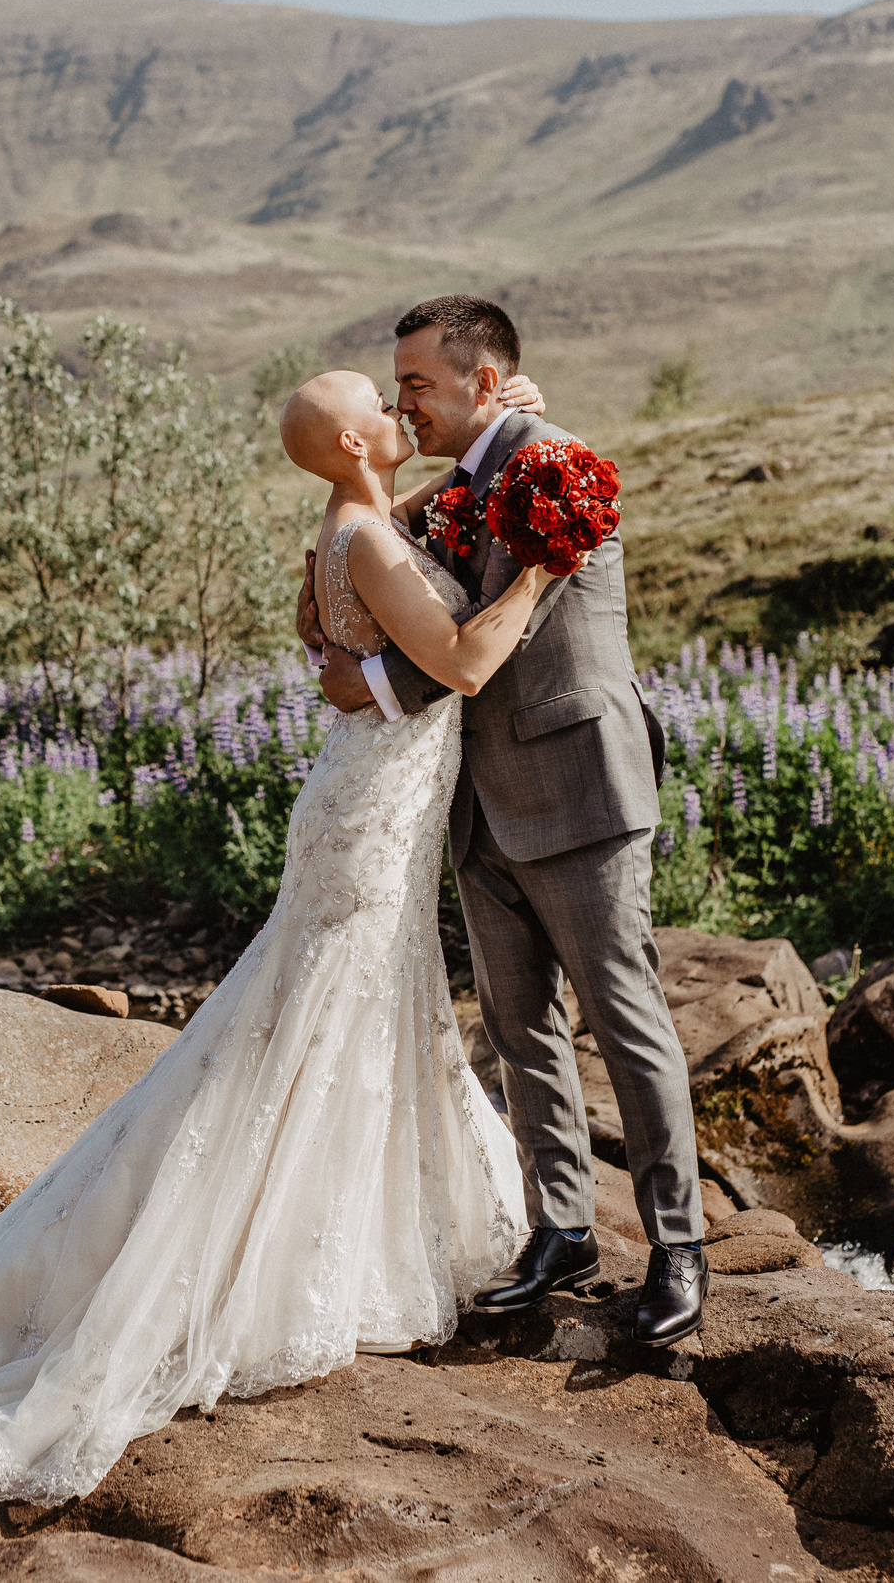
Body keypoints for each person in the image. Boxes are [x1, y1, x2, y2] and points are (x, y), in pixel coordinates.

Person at [0, 368, 558, 1508]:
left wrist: (491, 459)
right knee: (314, 1021)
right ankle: (275, 1264)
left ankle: (340, 1243)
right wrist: (546, 559)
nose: (404, 415)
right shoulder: (366, 538)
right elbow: (455, 661)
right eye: (383, 404)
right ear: (356, 439)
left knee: (336, 1017)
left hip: (373, 800)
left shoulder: (350, 525)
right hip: (371, 814)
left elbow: (385, 594)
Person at [300, 294, 706, 1347]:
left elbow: (478, 649)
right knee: (521, 1031)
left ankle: (678, 1248)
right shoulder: (461, 485)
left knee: (625, 1024)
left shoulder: (557, 470)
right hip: (478, 799)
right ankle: (560, 1229)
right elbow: (401, 588)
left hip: (576, 786)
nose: (406, 404)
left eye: (420, 386)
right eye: (396, 391)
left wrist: (373, 684)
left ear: (484, 381)